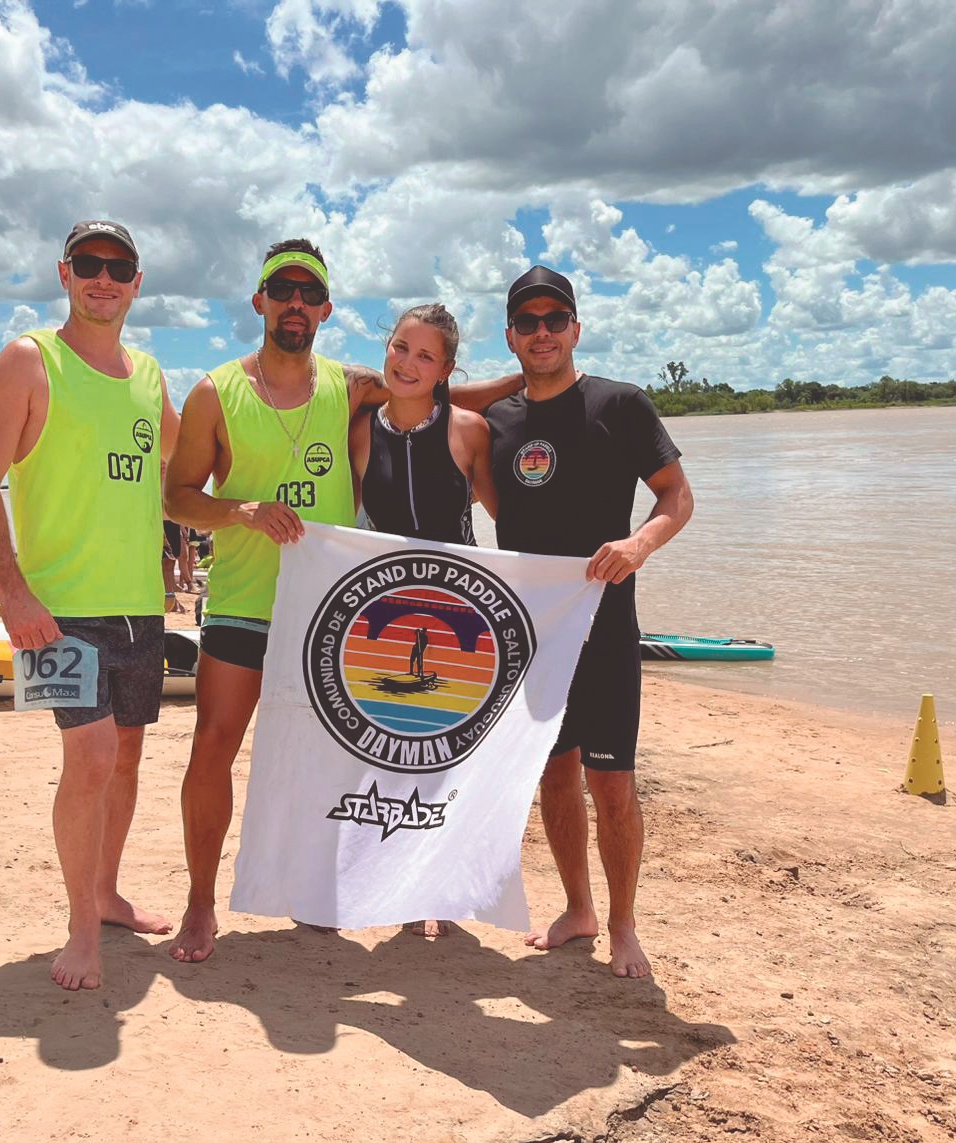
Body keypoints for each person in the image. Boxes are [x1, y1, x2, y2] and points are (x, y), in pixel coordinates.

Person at [163, 239, 520, 963]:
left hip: (332, 615)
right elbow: (176, 496)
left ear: (324, 310)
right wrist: (241, 512)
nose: (294, 303)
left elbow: (435, 394)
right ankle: (200, 904)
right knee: (213, 750)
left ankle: (316, 893)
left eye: (308, 293)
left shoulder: (350, 387)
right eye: (281, 290)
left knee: (328, 765)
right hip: (243, 603)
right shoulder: (215, 392)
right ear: (259, 301)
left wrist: (542, 377)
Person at [0, 219, 179, 991]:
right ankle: (81, 926)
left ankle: (109, 894)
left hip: (140, 608)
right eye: (89, 264)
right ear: (65, 273)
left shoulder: (151, 377)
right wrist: (11, 591)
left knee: (125, 762)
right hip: (57, 609)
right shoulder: (29, 359)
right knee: (89, 760)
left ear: (137, 283)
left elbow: (183, 478)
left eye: (119, 267)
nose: (104, 279)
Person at [484, 266, 693, 979]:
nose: (542, 333)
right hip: (535, 637)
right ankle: (578, 909)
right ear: (509, 335)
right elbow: (419, 402)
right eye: (527, 322)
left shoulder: (621, 404)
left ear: (576, 328)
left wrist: (639, 544)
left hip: (605, 630)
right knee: (555, 773)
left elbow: (676, 498)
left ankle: (624, 924)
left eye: (554, 319)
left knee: (613, 784)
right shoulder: (498, 422)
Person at [347, 301, 499, 939]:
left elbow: (508, 519)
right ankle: (402, 888)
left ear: (447, 369)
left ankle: (447, 888)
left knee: (454, 761)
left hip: (459, 618)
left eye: (426, 356)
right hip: (385, 613)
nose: (409, 363)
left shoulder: (468, 430)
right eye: (401, 348)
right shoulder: (357, 429)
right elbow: (345, 525)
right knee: (393, 754)